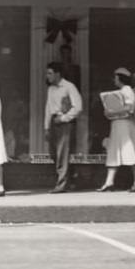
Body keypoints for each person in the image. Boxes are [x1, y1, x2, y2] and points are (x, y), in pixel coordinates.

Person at [98, 68, 135, 192]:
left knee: (130, 151)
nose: (115, 80)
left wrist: (112, 111)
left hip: (126, 125)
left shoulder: (128, 91)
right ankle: (109, 181)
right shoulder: (121, 91)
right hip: (117, 124)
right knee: (114, 152)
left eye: (116, 78)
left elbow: (129, 108)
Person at [44, 62, 83, 193]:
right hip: (53, 122)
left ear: (57, 74)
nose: (47, 76)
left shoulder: (69, 87)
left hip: (65, 123)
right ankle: (70, 179)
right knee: (53, 153)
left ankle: (62, 184)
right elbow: (48, 108)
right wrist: (46, 127)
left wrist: (64, 118)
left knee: (62, 153)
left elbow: (78, 107)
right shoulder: (51, 89)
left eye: (50, 73)